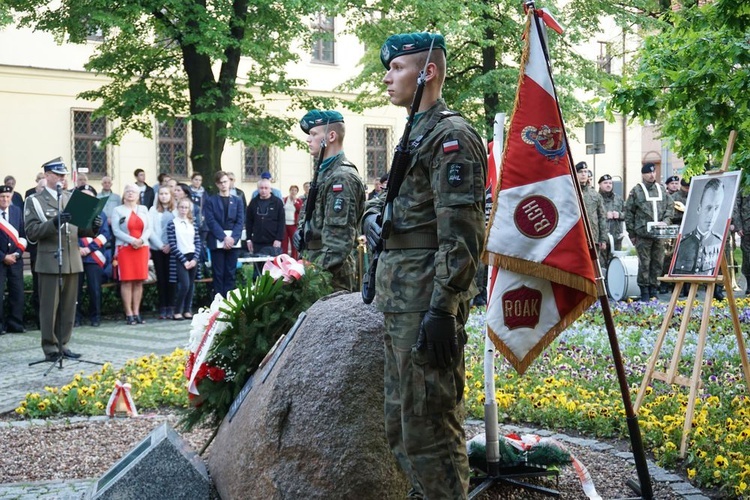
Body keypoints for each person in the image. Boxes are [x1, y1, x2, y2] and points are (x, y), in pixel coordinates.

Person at [362, 32, 486, 499]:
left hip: (425, 303)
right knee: (402, 428)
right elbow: (385, 199)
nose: (387, 77)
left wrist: (444, 308)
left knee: (430, 427)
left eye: (396, 68)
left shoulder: (451, 136)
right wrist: (373, 216)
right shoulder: (415, 131)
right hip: (401, 302)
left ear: (427, 72)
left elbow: (462, 233)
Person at [24, 157, 101, 360]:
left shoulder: (70, 198)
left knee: (68, 307)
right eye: (58, 174)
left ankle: (63, 344)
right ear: (47, 175)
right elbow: (31, 232)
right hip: (50, 260)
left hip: (72, 259)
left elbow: (80, 230)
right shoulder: (35, 201)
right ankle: (50, 348)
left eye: (64, 175)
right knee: (50, 307)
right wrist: (54, 223)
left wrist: (94, 226)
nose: (62, 178)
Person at [296, 109, 365, 292]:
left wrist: (313, 275)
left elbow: (338, 243)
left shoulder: (341, 177)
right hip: (315, 266)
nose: (308, 140)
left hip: (330, 277)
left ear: (331, 136)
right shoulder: (324, 174)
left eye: (313, 134)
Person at [625, 163, 675, 301]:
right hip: (643, 234)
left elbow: (670, 207)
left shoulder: (661, 190)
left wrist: (665, 221)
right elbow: (629, 213)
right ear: (643, 174)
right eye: (648, 173)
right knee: (644, 263)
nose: (652, 175)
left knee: (658, 262)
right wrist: (632, 234)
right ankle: (644, 291)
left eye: (654, 172)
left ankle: (654, 289)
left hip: (659, 235)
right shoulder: (636, 191)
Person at [112, 183, 152, 325]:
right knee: (127, 280)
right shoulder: (118, 210)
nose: (130, 194)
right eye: (128, 191)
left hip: (141, 247)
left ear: (138, 195)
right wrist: (132, 240)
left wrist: (141, 240)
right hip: (125, 248)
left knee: (139, 280)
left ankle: (137, 312)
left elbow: (149, 228)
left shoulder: (143, 209)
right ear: (124, 194)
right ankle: (128, 313)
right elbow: (116, 230)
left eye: (133, 192)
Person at [673, 178, 725, 276]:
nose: (711, 215)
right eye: (708, 208)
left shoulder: (718, 241)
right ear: (699, 208)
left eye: (716, 208)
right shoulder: (684, 242)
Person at [204, 171, 245, 297]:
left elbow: (240, 221)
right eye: (220, 182)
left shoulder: (237, 201)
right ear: (217, 184)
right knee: (218, 273)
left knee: (230, 273)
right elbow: (210, 221)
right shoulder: (211, 201)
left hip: (233, 242)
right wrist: (224, 237)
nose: (223, 185)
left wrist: (232, 238)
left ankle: (229, 302)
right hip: (217, 242)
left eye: (225, 182)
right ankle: (218, 302)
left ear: (229, 182)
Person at [75, 185, 111, 328]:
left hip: (93, 257)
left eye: (90, 195)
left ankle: (95, 317)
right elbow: (70, 234)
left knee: (94, 289)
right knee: (74, 291)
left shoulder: (100, 214)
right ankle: (75, 318)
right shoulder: (74, 213)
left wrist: (89, 248)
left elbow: (105, 235)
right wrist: (78, 248)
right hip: (76, 256)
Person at [167, 198, 201, 320]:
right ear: (178, 208)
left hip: (192, 256)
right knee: (185, 285)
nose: (184, 210)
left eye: (186, 208)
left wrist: (195, 259)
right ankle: (177, 310)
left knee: (191, 285)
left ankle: (187, 310)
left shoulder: (193, 223)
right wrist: (184, 260)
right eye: (181, 207)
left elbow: (197, 242)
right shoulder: (172, 223)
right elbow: (172, 244)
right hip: (180, 257)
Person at [0, 185, 26, 334]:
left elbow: (22, 235)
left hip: (15, 260)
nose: (5, 199)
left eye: (7, 196)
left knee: (17, 293)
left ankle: (16, 324)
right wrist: (3, 257)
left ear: (11, 197)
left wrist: (16, 254)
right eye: (2, 197)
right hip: (0, 260)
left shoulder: (17, 211)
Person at [148, 186, 175, 319]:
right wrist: (161, 245)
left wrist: (170, 245)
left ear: (170, 195)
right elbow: (150, 230)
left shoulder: (175, 210)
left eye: (166, 194)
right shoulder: (153, 211)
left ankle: (171, 306)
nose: (163, 196)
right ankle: (163, 307)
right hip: (157, 248)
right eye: (161, 194)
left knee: (171, 279)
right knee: (161, 278)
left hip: (172, 249)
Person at [246, 178, 285, 263]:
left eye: (266, 188)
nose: (263, 190)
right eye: (261, 188)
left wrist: (279, 239)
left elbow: (281, 222)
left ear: (270, 189)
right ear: (258, 189)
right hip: (257, 242)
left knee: (273, 269)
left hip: (273, 242)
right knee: (258, 270)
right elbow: (249, 222)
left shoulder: (277, 202)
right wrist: (248, 239)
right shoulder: (253, 203)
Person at [575, 161, 607, 255]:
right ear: (575, 173)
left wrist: (603, 239)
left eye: (585, 171)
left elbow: (602, 217)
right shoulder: (571, 192)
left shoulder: (594, 194)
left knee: (594, 266)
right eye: (581, 172)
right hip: (576, 238)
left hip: (593, 238)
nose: (584, 174)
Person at [598, 174, 625, 265]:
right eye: (605, 183)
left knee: (615, 263)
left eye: (610, 183)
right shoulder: (596, 198)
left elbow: (628, 214)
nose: (608, 185)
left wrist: (619, 215)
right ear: (600, 184)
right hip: (601, 236)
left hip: (616, 237)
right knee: (601, 264)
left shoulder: (618, 198)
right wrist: (605, 215)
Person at [732, 186, 750, 295]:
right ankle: (749, 284)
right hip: (747, 227)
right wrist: (738, 226)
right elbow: (736, 207)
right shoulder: (744, 187)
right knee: (748, 256)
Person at [282, 185, 303, 259]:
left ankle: (294, 259)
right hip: (285, 224)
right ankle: (284, 259)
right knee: (284, 243)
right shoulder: (285, 199)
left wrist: (294, 202)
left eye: (295, 190)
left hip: (293, 224)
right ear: (289, 191)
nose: (293, 192)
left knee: (294, 243)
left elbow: (300, 210)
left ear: (297, 192)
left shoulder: (299, 201)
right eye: (292, 190)